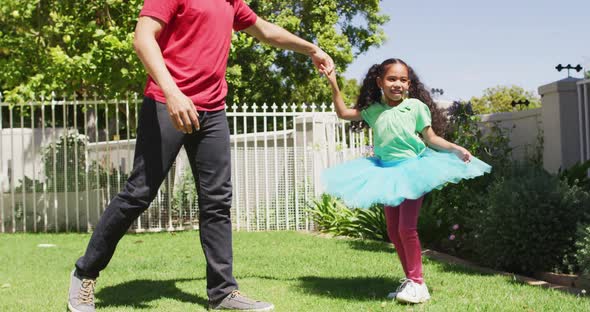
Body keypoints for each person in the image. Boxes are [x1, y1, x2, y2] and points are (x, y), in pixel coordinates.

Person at [67, 1, 334, 311]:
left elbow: (265, 30)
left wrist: (311, 49)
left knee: (217, 200)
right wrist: (172, 92)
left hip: (212, 110)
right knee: (139, 192)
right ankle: (85, 272)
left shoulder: (231, 2)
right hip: (167, 103)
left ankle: (222, 292)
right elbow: (143, 38)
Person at [320, 58, 490, 304]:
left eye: (403, 79)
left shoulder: (416, 107)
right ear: (380, 82)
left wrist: (455, 148)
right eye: (392, 79)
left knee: (406, 228)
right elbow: (343, 112)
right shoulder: (373, 109)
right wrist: (333, 82)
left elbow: (431, 138)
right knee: (393, 230)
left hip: (413, 170)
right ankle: (411, 280)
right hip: (386, 172)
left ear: (409, 83)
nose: (397, 84)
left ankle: (418, 284)